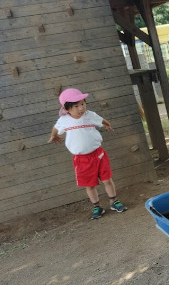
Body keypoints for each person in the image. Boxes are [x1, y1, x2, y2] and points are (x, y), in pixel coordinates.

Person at [48, 88, 127, 220]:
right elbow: (56, 128)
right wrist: (54, 136)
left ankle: (114, 202)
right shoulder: (64, 120)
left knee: (107, 179)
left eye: (83, 104)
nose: (81, 108)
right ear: (67, 109)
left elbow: (101, 120)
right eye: (76, 106)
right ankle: (97, 206)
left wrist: (107, 125)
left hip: (98, 154)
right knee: (89, 185)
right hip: (81, 159)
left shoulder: (90, 115)